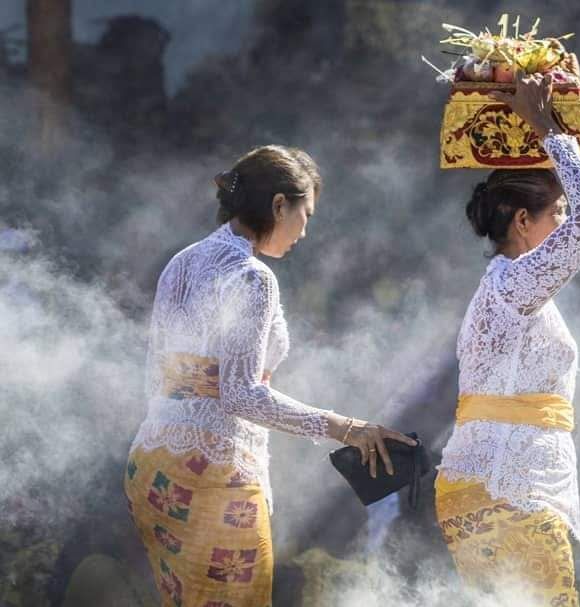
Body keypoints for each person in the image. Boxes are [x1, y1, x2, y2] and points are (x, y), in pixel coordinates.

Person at [123, 145, 415, 606]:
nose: (305, 230)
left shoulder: (181, 261)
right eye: (307, 214)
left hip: (153, 466)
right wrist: (347, 428)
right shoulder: (251, 277)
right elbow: (240, 396)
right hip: (212, 472)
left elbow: (155, 377)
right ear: (279, 205)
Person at [435, 72, 580, 606]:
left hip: (489, 483)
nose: (565, 222)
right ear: (522, 221)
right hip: (506, 484)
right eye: (557, 213)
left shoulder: (510, 286)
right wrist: (544, 126)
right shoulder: (513, 281)